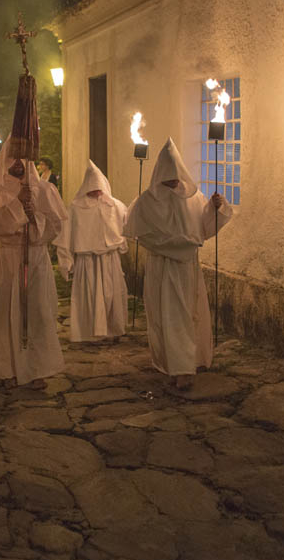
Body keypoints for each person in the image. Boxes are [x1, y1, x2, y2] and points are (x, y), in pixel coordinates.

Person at [124, 138, 232, 390]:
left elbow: (205, 227)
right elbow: (141, 232)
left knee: (185, 314)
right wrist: (172, 244)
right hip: (162, 267)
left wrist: (215, 208)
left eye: (176, 175)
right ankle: (173, 365)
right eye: (168, 175)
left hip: (186, 269)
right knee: (164, 315)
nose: (173, 181)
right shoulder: (147, 201)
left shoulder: (194, 198)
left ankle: (185, 366)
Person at [0, 141, 67, 389]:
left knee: (36, 312)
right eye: (12, 158)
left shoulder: (44, 190)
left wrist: (33, 215)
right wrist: (16, 205)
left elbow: (55, 226)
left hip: (34, 258)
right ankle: (8, 368)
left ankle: (36, 370)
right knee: (5, 312)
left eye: (20, 159)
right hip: (8, 258)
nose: (16, 164)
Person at [56, 160, 128, 345]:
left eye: (99, 188)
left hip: (110, 259)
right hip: (87, 261)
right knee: (89, 295)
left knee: (112, 295)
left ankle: (113, 329)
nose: (96, 192)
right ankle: (88, 332)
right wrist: (66, 261)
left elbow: (126, 226)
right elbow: (66, 235)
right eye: (92, 188)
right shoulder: (75, 208)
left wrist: (123, 243)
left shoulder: (115, 206)